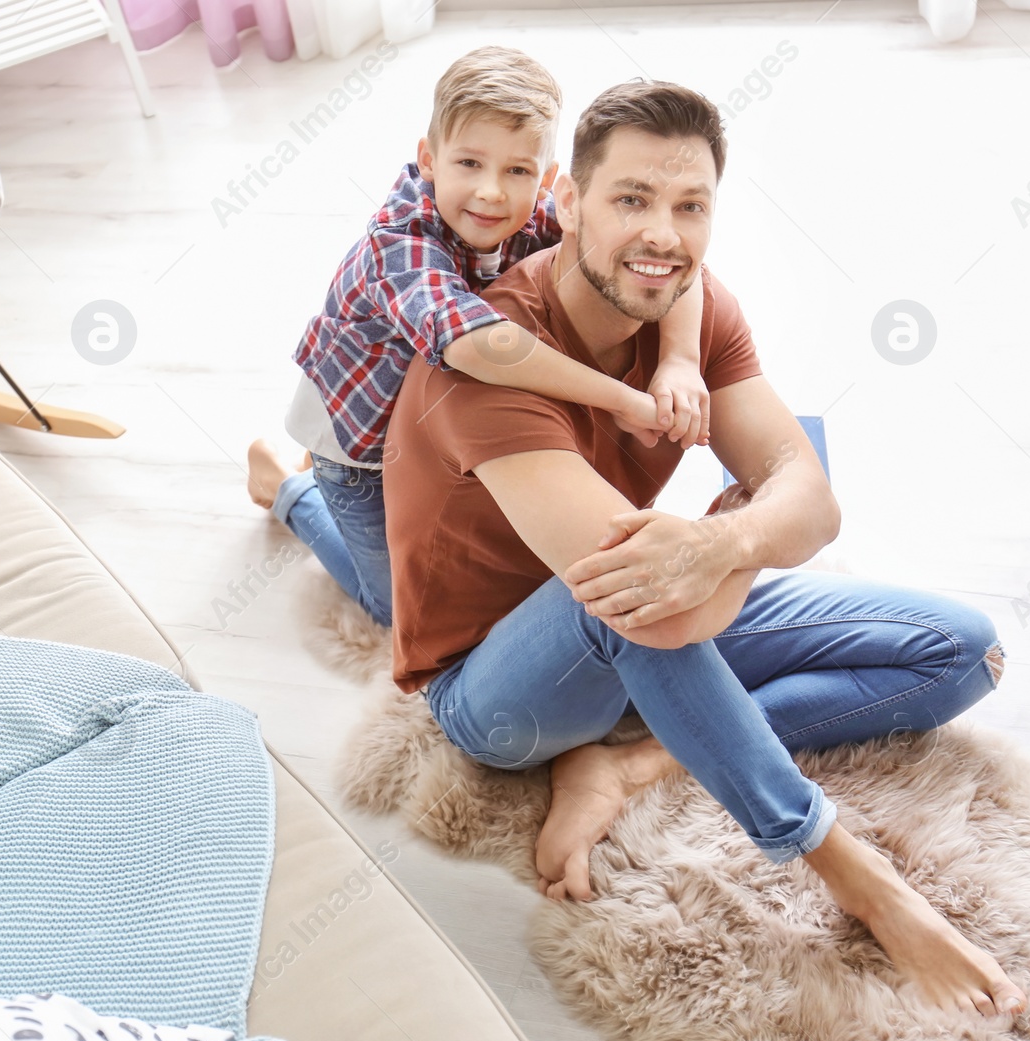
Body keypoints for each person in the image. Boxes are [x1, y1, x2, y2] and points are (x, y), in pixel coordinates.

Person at [383, 77, 1027, 1019]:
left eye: (691, 207)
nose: (664, 235)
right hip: (496, 689)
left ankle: (636, 761)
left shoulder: (692, 304)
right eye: (632, 200)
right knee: (632, 597)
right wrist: (740, 535)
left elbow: (815, 503)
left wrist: (722, 540)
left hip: (640, 599)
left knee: (963, 649)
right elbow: (673, 594)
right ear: (567, 202)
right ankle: (861, 882)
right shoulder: (491, 363)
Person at [247, 45, 711, 626]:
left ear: (545, 180)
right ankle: (291, 492)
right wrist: (622, 398)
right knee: (397, 607)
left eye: (516, 171)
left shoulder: (540, 212)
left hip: (439, 434)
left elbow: (662, 257)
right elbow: (473, 343)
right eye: (469, 163)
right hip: (361, 444)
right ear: (429, 159)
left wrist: (680, 362)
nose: (492, 191)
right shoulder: (400, 243)